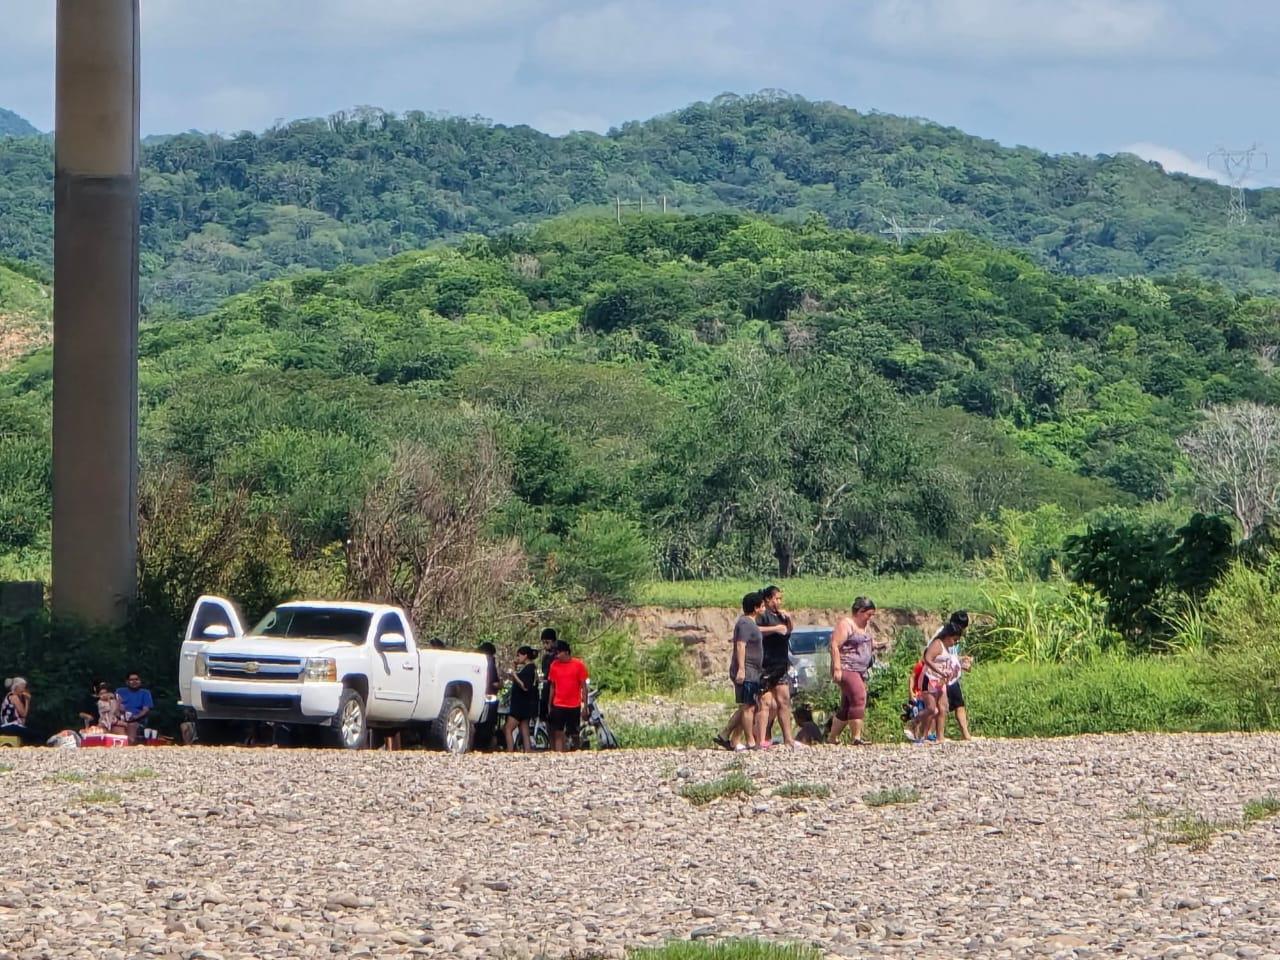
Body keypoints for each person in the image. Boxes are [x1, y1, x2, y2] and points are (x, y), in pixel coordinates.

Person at [756, 585, 802, 749]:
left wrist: (788, 619)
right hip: (765, 665)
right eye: (776, 599)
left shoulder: (780, 616)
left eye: (780, 599)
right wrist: (775, 629)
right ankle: (759, 740)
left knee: (784, 700)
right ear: (768, 600)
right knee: (765, 703)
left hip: (781, 664)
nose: (779, 602)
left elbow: (788, 631)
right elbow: (756, 630)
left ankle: (788, 738)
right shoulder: (763, 615)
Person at [828, 597, 876, 745]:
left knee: (847, 704)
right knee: (859, 696)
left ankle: (832, 738)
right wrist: (837, 668)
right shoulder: (847, 624)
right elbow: (834, 645)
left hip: (860, 669)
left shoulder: (864, 626)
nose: (870, 618)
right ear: (860, 612)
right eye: (868, 615)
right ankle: (856, 737)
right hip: (847, 668)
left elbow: (865, 643)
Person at [918, 614, 964, 744]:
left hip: (940, 681)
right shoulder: (937, 644)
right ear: (948, 637)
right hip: (929, 679)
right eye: (954, 640)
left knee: (943, 708)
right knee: (932, 709)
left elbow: (948, 662)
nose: (954, 643)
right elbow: (927, 658)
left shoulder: (948, 648)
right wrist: (939, 671)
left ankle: (940, 737)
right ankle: (917, 721)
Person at [730, 591, 766, 751]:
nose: (764, 608)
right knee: (748, 706)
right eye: (762, 606)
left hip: (753, 671)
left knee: (751, 705)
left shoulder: (752, 624)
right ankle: (751, 740)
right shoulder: (745, 623)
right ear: (756, 608)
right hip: (748, 671)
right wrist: (742, 669)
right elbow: (740, 645)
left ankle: (729, 737)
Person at [546, 640, 589, 753]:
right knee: (558, 732)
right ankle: (560, 755)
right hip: (558, 704)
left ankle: (576, 751)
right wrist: (549, 704)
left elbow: (584, 686)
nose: (557, 656)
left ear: (566, 652)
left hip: (574, 704)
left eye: (558, 653)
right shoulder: (554, 665)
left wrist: (585, 706)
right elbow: (552, 686)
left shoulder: (578, 665)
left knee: (574, 733)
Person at [940, 611, 974, 741]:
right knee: (940, 707)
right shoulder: (943, 634)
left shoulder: (956, 636)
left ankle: (965, 734)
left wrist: (961, 661)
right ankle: (937, 735)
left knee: (959, 703)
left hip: (952, 675)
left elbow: (952, 655)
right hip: (942, 674)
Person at [503, 646, 539, 753]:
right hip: (524, 703)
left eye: (519, 655)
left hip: (520, 705)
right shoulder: (528, 668)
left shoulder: (529, 669)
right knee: (524, 729)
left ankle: (510, 749)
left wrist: (514, 674)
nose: (517, 658)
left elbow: (524, 686)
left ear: (525, 656)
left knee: (508, 728)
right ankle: (527, 749)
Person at [474, 642, 502, 751]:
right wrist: (500, 684)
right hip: (490, 698)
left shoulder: (476, 662)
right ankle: (485, 745)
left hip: (478, 697)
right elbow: (494, 682)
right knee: (488, 724)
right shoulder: (490, 662)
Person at [115, 672, 154, 745]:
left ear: (140, 681)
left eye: (136, 679)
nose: (134, 682)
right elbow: (113, 704)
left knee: (131, 725)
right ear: (127, 682)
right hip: (120, 718)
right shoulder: (120, 691)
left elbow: (146, 710)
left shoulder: (145, 693)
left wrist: (135, 717)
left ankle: (130, 744)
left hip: (137, 719)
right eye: (131, 680)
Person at [537, 628, 558, 724]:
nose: (545, 645)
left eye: (547, 642)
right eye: (543, 643)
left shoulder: (558, 657)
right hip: (546, 691)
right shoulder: (545, 658)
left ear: (554, 642)